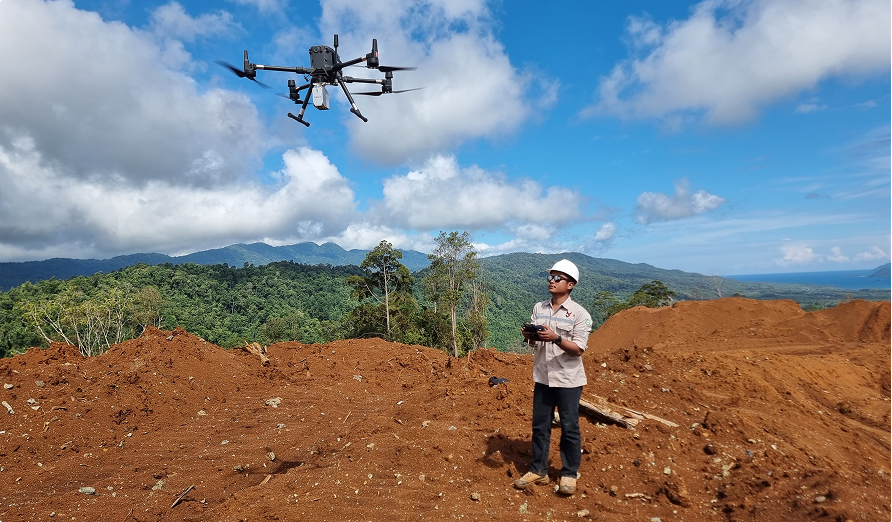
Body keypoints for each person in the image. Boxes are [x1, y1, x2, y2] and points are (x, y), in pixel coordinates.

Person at [514, 259, 593, 495]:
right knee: (540, 425)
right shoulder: (539, 308)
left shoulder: (579, 314)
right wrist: (530, 336)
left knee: (569, 426)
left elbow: (578, 349)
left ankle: (569, 474)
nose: (551, 280)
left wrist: (556, 338)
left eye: (558, 278)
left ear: (570, 284)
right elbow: (533, 343)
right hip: (543, 376)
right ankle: (538, 470)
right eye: (550, 277)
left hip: (568, 379)